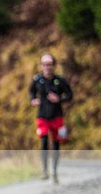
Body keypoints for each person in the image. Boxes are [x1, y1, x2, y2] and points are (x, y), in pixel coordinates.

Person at [29, 52, 73, 183]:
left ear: (54, 66)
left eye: (49, 64)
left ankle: (54, 171)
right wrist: (33, 100)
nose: (47, 67)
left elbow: (70, 95)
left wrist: (59, 99)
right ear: (41, 66)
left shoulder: (60, 80)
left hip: (57, 116)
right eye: (44, 64)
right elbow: (31, 92)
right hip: (42, 116)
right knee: (43, 141)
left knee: (56, 144)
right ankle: (44, 170)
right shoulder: (37, 80)